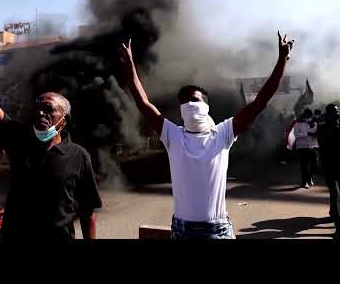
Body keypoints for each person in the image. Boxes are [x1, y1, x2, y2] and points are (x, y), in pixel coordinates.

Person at [120, 31, 294, 239]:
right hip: (182, 230)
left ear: (207, 107)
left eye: (195, 100)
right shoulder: (173, 136)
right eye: (184, 102)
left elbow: (259, 103)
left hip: (217, 230)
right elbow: (143, 103)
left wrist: (281, 59)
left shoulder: (223, 133)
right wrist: (130, 64)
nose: (190, 105)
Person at [0, 5, 102, 240]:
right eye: (37, 107)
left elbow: (87, 213)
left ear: (65, 119)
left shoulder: (79, 156)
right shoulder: (20, 140)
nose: (40, 113)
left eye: (48, 109)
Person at [317, 104, 340, 238]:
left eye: (337, 112)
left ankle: (333, 214)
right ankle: (338, 228)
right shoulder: (322, 129)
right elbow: (323, 146)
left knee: (336, 196)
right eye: (334, 112)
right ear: (328, 114)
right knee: (335, 195)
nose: (337, 114)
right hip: (329, 166)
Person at [293, 108, 318, 188]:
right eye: (307, 116)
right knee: (304, 165)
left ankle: (310, 177)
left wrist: (315, 135)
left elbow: (316, 133)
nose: (309, 118)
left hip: (313, 146)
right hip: (302, 146)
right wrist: (307, 133)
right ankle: (304, 182)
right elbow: (296, 135)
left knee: (315, 163)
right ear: (304, 116)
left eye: (310, 116)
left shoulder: (314, 123)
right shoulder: (298, 124)